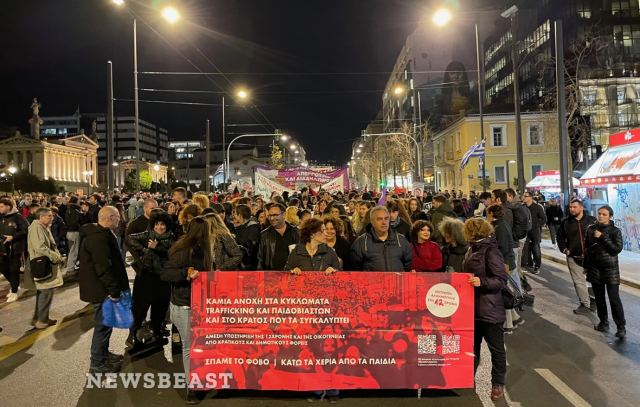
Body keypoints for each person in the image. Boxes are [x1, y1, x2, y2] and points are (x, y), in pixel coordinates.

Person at [160, 216, 210, 404]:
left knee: (197, 346)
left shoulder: (202, 249)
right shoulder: (183, 250)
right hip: (184, 305)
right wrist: (185, 274)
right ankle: (192, 387)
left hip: (196, 304)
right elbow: (166, 273)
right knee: (190, 346)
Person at [78, 206, 129, 374]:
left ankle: (103, 355)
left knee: (106, 326)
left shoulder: (99, 234)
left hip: (101, 289)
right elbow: (103, 267)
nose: (119, 220)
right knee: (103, 326)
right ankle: (97, 363)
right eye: (117, 217)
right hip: (102, 291)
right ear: (110, 218)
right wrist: (113, 290)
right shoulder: (98, 238)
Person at [463, 218, 508, 401]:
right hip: (472, 308)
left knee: (496, 349)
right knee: (471, 348)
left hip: (489, 309)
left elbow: (501, 280)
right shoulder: (471, 249)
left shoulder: (491, 251)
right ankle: (467, 377)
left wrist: (482, 282)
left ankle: (497, 383)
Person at [125, 210, 175, 350]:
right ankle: (133, 335)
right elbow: (129, 238)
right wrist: (146, 250)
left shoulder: (172, 238)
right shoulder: (147, 235)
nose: (159, 227)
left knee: (160, 309)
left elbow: (172, 253)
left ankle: (157, 333)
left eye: (163, 224)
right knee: (139, 310)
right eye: (157, 224)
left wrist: (156, 248)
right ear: (153, 225)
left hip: (163, 279)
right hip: (145, 279)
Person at [584, 205, 626, 338]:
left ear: (610, 217)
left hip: (610, 269)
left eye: (604, 214)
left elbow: (616, 249)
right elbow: (587, 249)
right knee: (599, 298)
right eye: (600, 214)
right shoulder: (591, 229)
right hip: (594, 268)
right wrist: (586, 266)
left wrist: (602, 237)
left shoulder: (615, 231)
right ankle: (603, 322)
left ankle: (621, 327)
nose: (601, 216)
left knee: (614, 299)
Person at [23, 207, 65, 329]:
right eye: (49, 216)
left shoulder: (43, 227)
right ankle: (41, 320)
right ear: (41, 217)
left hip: (45, 262)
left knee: (44, 291)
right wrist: (56, 256)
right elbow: (40, 247)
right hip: (42, 264)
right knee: (45, 292)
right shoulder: (36, 228)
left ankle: (41, 318)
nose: (52, 217)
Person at [487, 204, 523, 334]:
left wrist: (504, 264)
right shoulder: (502, 224)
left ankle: (508, 324)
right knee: (505, 291)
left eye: (488, 214)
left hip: (504, 263)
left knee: (503, 293)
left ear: (491, 214)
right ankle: (515, 318)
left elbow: (503, 248)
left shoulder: (499, 227)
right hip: (506, 262)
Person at [557, 199, 596, 315]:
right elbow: (559, 237)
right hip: (574, 257)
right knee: (578, 282)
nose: (572, 209)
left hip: (592, 257)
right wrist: (564, 249)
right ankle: (585, 304)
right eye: (570, 207)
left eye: (574, 207)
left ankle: (593, 300)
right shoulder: (566, 223)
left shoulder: (592, 221)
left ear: (581, 208)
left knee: (594, 281)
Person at [349, 206, 412, 271]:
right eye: (379, 219)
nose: (384, 223)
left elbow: (408, 263)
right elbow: (355, 267)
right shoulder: (361, 242)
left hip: (395, 280)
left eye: (386, 218)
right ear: (372, 222)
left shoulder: (401, 240)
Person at [0, 197, 29, 302]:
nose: (0, 208)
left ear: (8, 206)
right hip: (2, 248)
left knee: (14, 270)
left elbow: (25, 230)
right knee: (3, 268)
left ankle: (14, 291)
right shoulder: (1, 217)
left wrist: (13, 237)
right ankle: (14, 284)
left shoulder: (18, 217)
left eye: (2, 206)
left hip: (15, 248)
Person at [257, 203, 300, 271]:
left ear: (284, 215)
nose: (271, 218)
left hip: (292, 275)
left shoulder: (296, 232)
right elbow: (260, 259)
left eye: (275, 215)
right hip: (272, 276)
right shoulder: (264, 235)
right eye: (270, 215)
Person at [521, 192, 546, 274]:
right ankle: (527, 264)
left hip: (535, 232)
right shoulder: (522, 207)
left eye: (525, 196)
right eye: (523, 196)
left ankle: (537, 266)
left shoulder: (538, 207)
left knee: (536, 249)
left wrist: (535, 225)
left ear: (530, 197)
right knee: (525, 249)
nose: (523, 197)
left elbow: (544, 219)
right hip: (525, 231)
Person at [232, 204, 261, 270]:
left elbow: (250, 249)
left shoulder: (253, 228)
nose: (234, 216)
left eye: (235, 214)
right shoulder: (242, 227)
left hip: (249, 267)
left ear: (240, 215)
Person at [64, 196, 83, 276]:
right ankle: (70, 268)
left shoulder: (68, 209)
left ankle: (70, 266)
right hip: (74, 232)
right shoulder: (76, 210)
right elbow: (77, 221)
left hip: (68, 232)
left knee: (71, 250)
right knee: (74, 251)